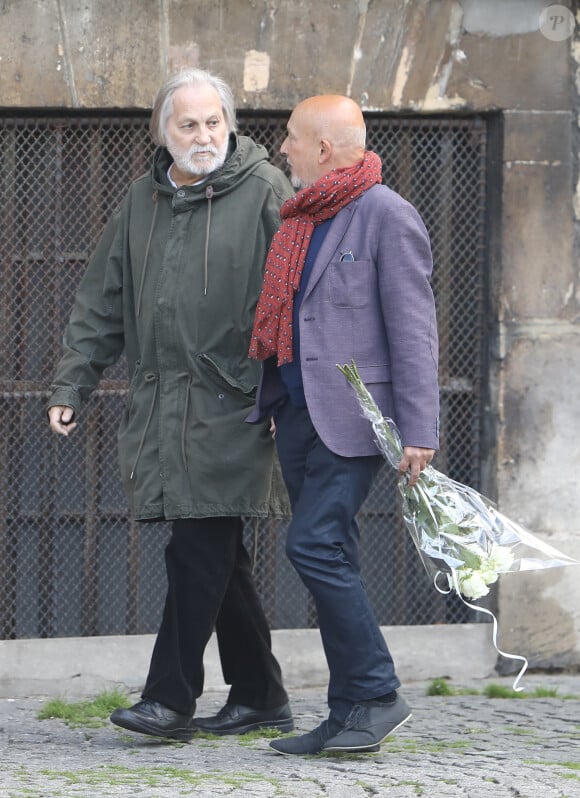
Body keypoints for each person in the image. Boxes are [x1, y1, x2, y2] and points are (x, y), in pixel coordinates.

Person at [47, 67, 295, 742]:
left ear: (231, 125)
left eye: (214, 121)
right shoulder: (141, 201)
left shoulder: (268, 190)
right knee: (216, 553)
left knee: (196, 547)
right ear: (162, 131)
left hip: (240, 406)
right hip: (164, 408)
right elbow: (101, 300)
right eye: (187, 123)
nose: (203, 135)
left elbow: (302, 301)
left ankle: (170, 698)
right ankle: (261, 694)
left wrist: (289, 390)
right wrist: (74, 382)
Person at [248, 95, 440, 755]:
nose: (283, 149)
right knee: (335, 552)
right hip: (298, 416)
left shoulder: (387, 215)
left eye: (294, 139)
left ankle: (378, 690)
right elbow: (299, 317)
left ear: (324, 149)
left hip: (358, 420)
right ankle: (347, 713)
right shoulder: (304, 217)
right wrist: (278, 401)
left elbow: (414, 330)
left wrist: (419, 429)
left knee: (314, 545)